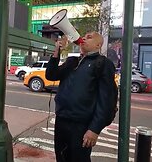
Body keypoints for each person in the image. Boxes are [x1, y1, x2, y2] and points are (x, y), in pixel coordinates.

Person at [45, 32, 116, 162]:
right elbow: (51, 75)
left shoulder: (102, 64)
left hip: (82, 124)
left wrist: (94, 129)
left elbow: (107, 100)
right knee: (61, 156)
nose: (83, 38)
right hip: (62, 119)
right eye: (83, 36)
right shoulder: (72, 61)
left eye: (89, 37)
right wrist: (57, 50)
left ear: (98, 45)